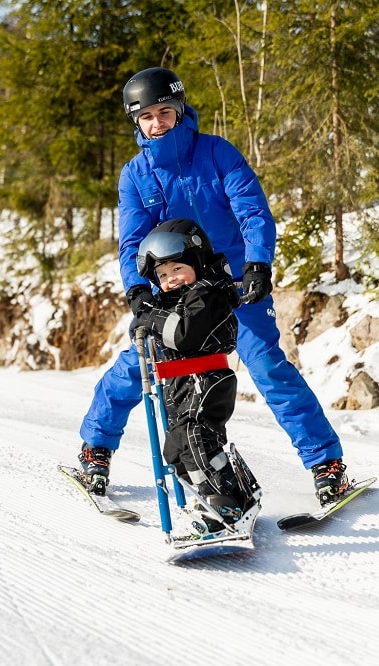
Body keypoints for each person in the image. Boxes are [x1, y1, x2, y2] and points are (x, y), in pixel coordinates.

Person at [77, 66, 348, 507]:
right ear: (136, 122)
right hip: (176, 291)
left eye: (164, 111)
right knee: (137, 365)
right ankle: (96, 450)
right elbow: (131, 242)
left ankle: (326, 464)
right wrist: (137, 290)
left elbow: (253, 211)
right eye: (146, 116)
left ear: (180, 109)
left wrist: (259, 263)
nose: (157, 122)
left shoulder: (218, 153)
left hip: (235, 285)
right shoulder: (136, 174)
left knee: (268, 368)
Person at [131, 219, 261, 526]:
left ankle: (224, 503)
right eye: (162, 275)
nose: (170, 279)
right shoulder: (176, 301)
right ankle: (223, 495)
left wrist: (148, 316)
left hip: (206, 379)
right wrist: (146, 313)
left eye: (177, 269)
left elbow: (182, 335)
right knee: (176, 452)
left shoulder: (209, 293)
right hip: (180, 383)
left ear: (198, 260)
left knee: (196, 438)